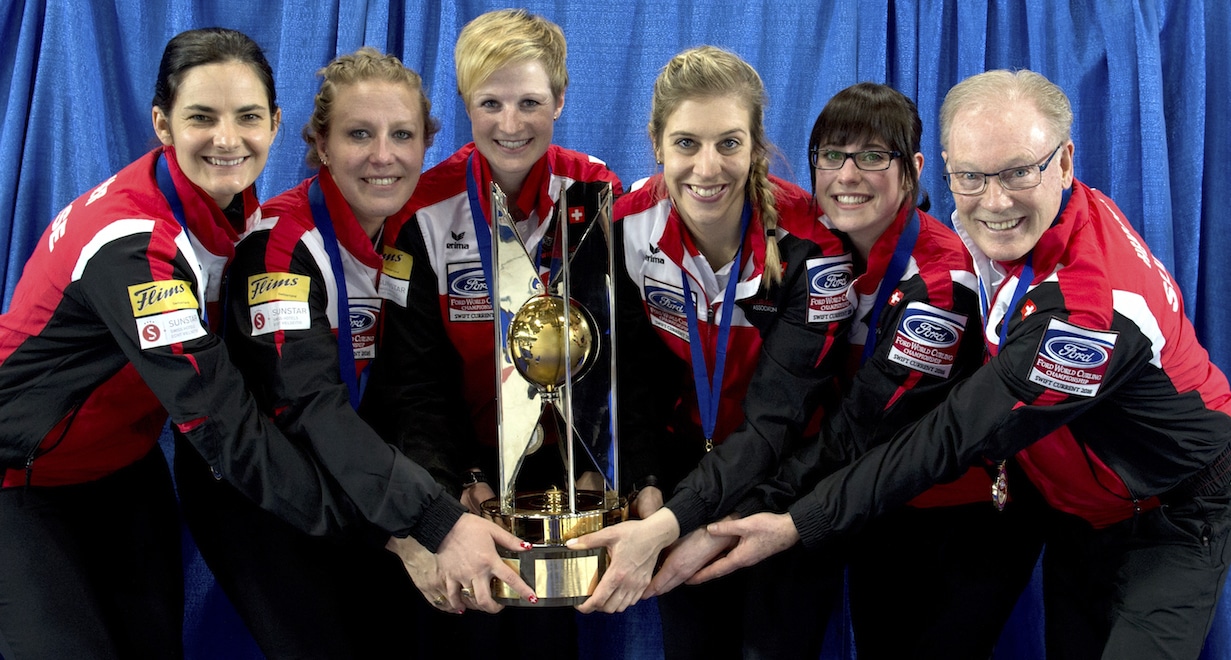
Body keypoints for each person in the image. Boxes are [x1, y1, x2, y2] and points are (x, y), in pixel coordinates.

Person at [0, 29, 531, 660]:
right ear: (162, 125)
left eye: (247, 117)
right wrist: (413, 528)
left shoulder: (231, 211)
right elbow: (228, 422)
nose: (228, 139)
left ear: (275, 125)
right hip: (22, 476)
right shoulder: (136, 243)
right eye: (202, 117)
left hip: (123, 469)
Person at [700, 69, 1231, 660]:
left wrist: (797, 523)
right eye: (972, 176)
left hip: (1172, 508)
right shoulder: (1032, 217)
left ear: (1064, 163)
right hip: (1077, 508)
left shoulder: (1085, 313)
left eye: (1018, 172)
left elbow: (953, 433)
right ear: (948, 168)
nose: (994, 200)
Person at [715, 82, 1042, 659]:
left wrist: (755, 501)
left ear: (913, 169)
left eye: (872, 156)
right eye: (832, 156)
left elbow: (862, 426)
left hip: (961, 518)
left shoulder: (941, 282)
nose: (848, 175)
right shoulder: (814, 247)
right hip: (874, 503)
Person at [173, 47, 472, 659]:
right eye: (359, 134)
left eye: (403, 135)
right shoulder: (280, 244)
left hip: (358, 480)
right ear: (320, 144)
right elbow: (309, 404)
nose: (383, 156)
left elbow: (415, 389)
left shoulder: (408, 237)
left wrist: (439, 489)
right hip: (264, 492)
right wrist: (420, 525)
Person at [568, 46, 853, 659]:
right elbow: (633, 379)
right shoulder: (623, 226)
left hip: (788, 488)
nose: (707, 167)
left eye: (728, 143)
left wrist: (677, 522)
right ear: (655, 144)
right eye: (686, 144)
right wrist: (646, 480)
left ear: (754, 145)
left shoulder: (815, 246)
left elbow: (778, 419)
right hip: (681, 480)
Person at [359, 9, 622, 659]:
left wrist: (593, 470)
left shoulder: (596, 193)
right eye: (490, 103)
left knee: (544, 640)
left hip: (554, 480)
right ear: (466, 104)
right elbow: (412, 377)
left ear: (559, 100)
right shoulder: (421, 205)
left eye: (529, 102)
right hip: (455, 469)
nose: (510, 124)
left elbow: (613, 358)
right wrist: (446, 494)